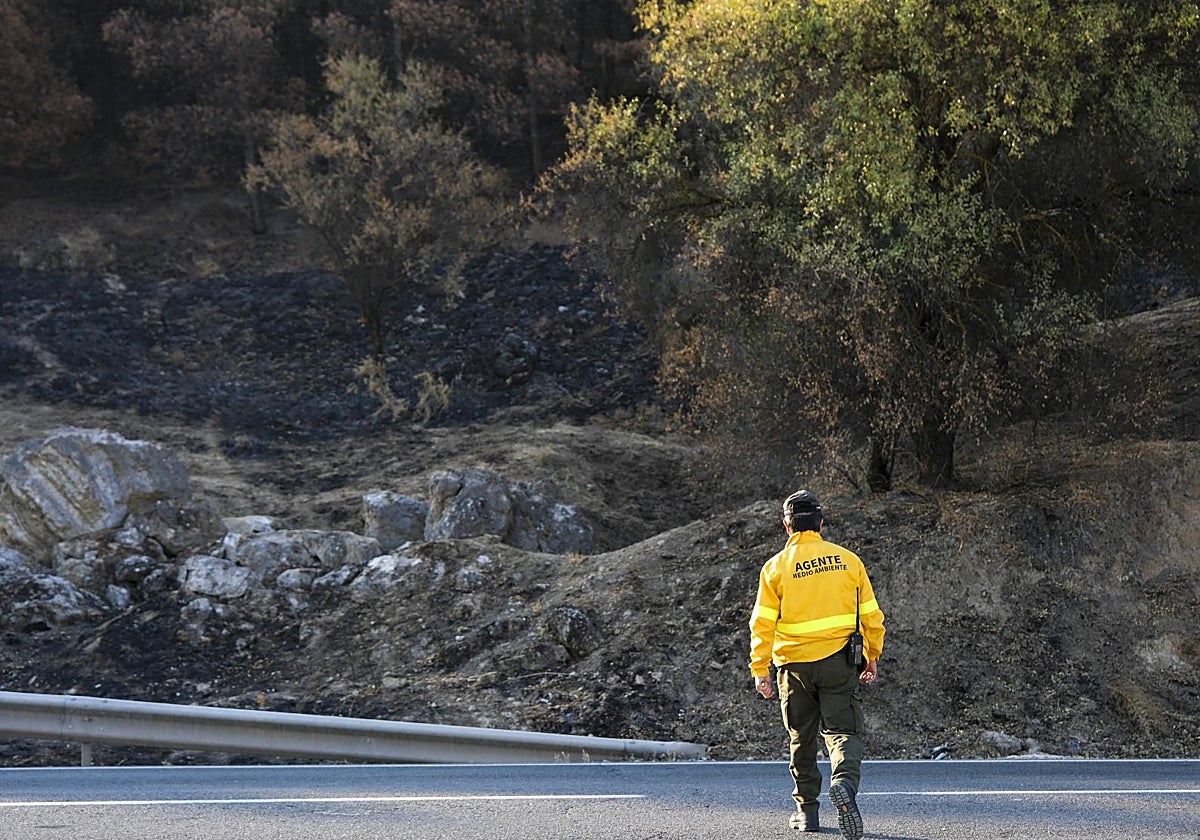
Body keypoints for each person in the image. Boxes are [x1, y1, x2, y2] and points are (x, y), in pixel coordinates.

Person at [749, 490, 886, 838]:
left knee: (802, 738)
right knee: (843, 732)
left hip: (793, 668)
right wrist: (872, 654)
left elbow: (761, 623)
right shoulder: (848, 561)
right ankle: (844, 786)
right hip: (839, 662)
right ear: (821, 524)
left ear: (787, 526)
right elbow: (872, 615)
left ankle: (807, 813)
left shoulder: (775, 568)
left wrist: (760, 669)